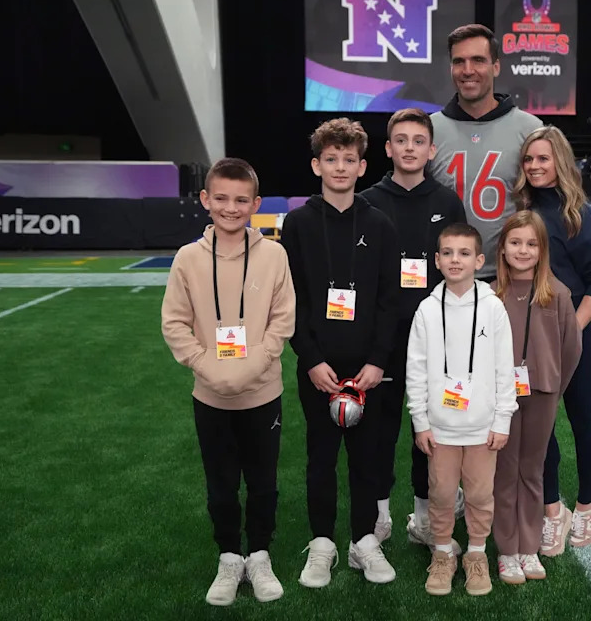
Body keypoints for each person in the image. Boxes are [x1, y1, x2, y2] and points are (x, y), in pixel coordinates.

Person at [161, 158, 295, 606]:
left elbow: (281, 323)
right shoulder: (188, 258)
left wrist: (251, 366)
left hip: (262, 394)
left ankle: (258, 554)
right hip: (210, 396)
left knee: (263, 481)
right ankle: (229, 556)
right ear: (205, 200)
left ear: (256, 204)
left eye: (241, 200)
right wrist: (209, 367)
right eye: (221, 198)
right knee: (220, 483)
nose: (231, 208)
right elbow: (175, 323)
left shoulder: (275, 255)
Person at [280, 118, 399, 588]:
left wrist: (377, 361)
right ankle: (323, 542)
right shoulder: (299, 223)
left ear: (363, 165)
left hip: (368, 370)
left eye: (350, 159)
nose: (341, 167)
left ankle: (363, 543)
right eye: (331, 158)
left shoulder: (379, 224)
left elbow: (390, 300)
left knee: (368, 459)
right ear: (316, 164)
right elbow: (292, 301)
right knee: (320, 458)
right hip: (319, 370)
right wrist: (309, 359)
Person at [359, 108, 466, 548]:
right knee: (380, 431)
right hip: (380, 342)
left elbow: (458, 272)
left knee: (433, 431)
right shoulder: (367, 201)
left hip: (434, 342)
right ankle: (379, 516)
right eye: (400, 140)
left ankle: (425, 517)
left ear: (431, 149)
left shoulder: (446, 202)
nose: (409, 148)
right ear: (387, 149)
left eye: (418, 141)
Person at [512, 126, 591, 554]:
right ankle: (553, 511)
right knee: (540, 429)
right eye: (529, 160)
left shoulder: (579, 214)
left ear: (560, 162)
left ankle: (587, 504)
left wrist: (570, 331)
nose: (535, 166)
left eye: (543, 159)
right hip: (529, 339)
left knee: (581, 420)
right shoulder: (521, 212)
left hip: (573, 336)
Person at [406, 223, 518, 596]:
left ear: (479, 260)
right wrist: (420, 421)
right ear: (437, 261)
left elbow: (505, 368)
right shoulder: (425, 310)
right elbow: (416, 369)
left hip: (483, 427)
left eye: (464, 253)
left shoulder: (493, 308)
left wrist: (502, 418)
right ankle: (442, 553)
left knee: (480, 495)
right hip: (440, 429)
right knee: (439, 494)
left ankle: (475, 554)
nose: (456, 260)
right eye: (448, 253)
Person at [490, 211, 581, 584]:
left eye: (531, 244)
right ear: (503, 248)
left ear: (542, 250)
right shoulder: (490, 293)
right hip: (501, 398)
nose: (523, 250)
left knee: (532, 469)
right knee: (504, 471)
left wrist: (554, 388)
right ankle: (507, 551)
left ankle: (529, 547)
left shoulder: (557, 294)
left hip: (541, 392)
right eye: (515, 243)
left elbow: (571, 348)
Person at [428, 24, 543, 281]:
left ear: (496, 66)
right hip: (445, 278)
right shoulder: (429, 130)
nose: (468, 70)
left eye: (478, 60)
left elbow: (551, 206)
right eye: (459, 62)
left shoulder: (530, 129)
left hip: (509, 279)